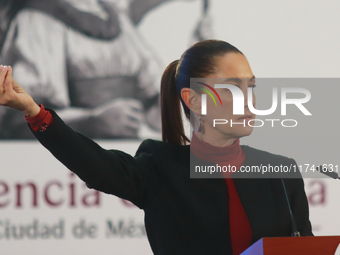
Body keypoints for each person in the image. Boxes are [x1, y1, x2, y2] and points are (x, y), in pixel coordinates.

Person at [0, 40, 313, 255]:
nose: (250, 100)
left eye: (251, 87)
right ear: (193, 100)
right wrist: (35, 113)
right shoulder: (159, 167)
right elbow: (95, 164)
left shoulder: (280, 172)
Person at [0, 0, 212, 139]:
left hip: (125, 160)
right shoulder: (36, 20)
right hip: (71, 171)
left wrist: (196, 62)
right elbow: (22, 117)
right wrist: (93, 121)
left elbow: (155, 110)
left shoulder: (116, 18)